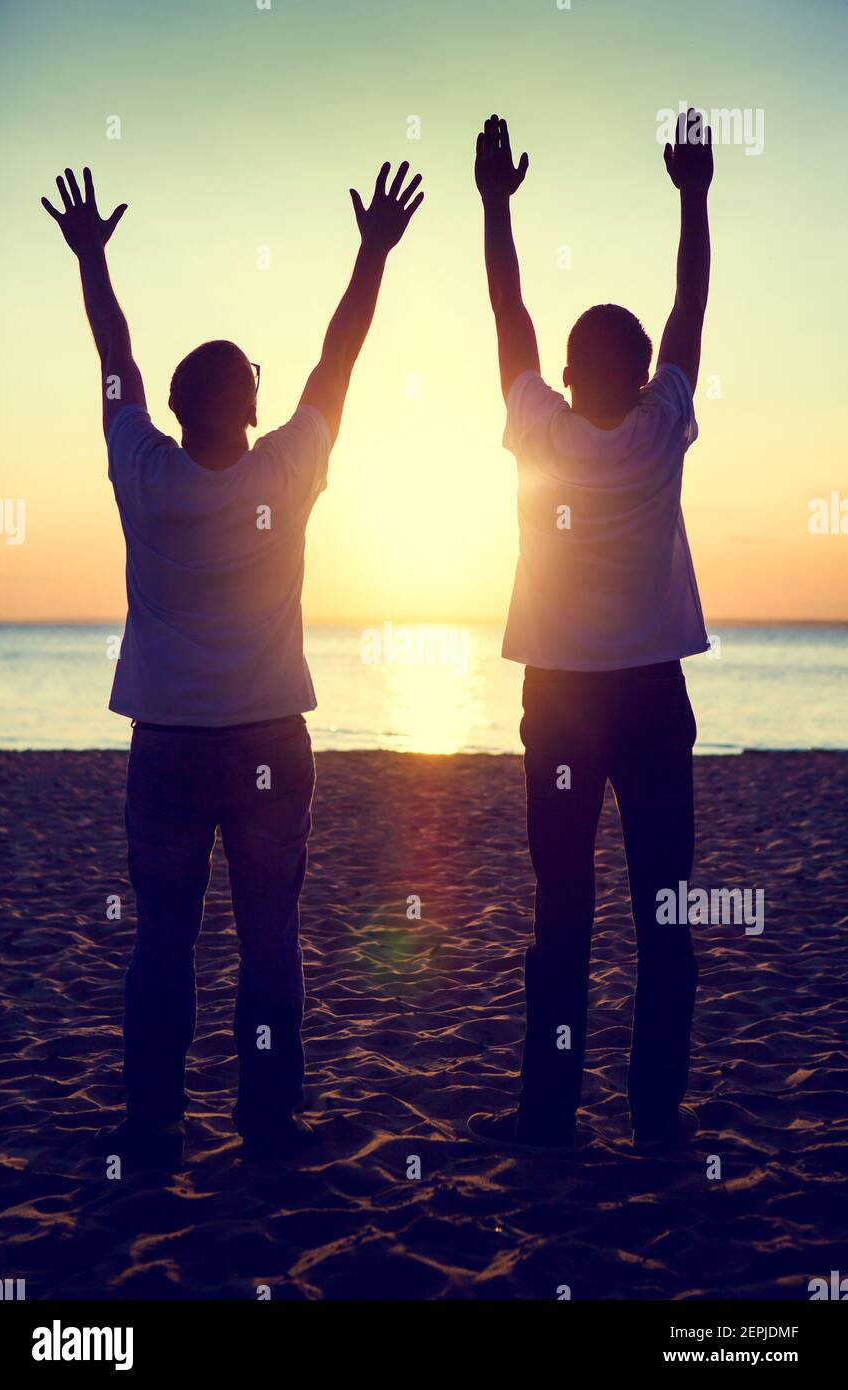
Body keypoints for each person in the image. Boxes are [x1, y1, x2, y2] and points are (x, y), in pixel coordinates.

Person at [41, 160, 423, 1166]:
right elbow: (339, 361)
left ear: (178, 408)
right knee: (268, 940)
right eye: (255, 378)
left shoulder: (142, 468)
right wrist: (371, 251)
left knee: (161, 938)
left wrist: (91, 259)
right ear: (247, 407)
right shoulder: (285, 470)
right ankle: (264, 1119)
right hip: (265, 743)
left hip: (166, 744)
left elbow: (113, 358)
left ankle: (153, 1120)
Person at [467, 110, 713, 1152]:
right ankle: (653, 1116)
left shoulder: (539, 429)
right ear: (639, 371)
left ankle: (546, 1113)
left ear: (570, 378)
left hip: (561, 701)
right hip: (649, 695)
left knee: (561, 908)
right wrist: (692, 194)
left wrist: (493, 203)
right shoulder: (659, 428)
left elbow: (507, 311)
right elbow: (688, 310)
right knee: (664, 913)